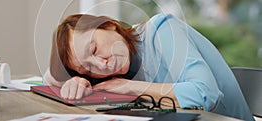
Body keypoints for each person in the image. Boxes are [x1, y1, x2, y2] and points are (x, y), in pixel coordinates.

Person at [44, 13, 254, 121]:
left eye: (94, 49)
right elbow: (49, 78)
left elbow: (206, 94)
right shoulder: (119, 69)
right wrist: (76, 80)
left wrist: (131, 87)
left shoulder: (161, 30)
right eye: (88, 69)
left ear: (107, 25)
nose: (101, 65)